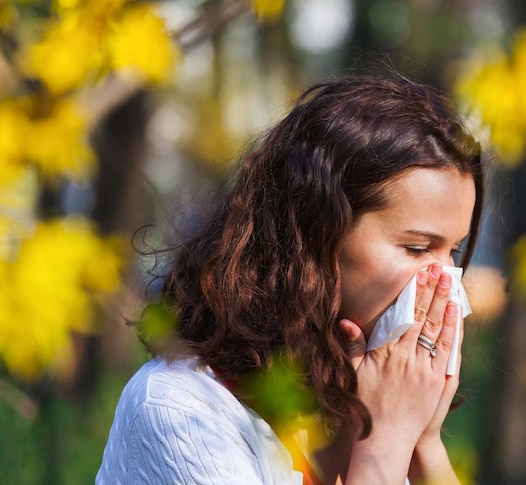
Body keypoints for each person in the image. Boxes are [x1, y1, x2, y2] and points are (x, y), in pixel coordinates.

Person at [96, 75, 484, 485]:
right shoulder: (181, 410)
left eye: (454, 252)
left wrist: (423, 442)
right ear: (317, 233)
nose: (447, 284)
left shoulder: (361, 400)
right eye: (419, 249)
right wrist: (385, 439)